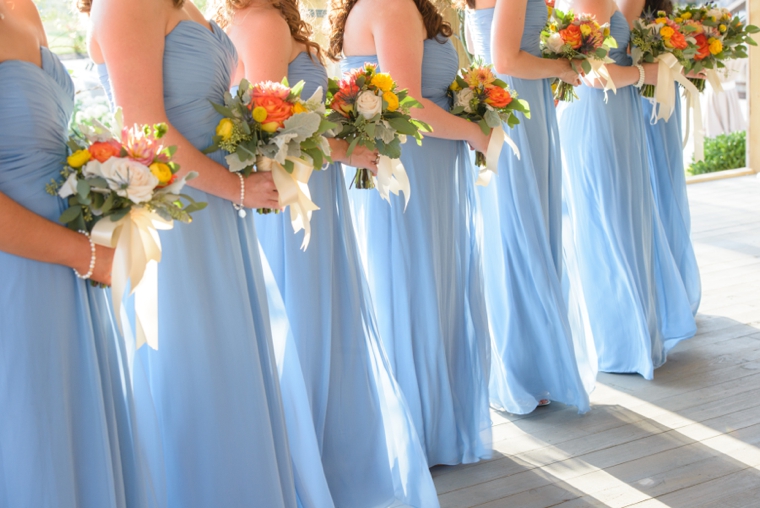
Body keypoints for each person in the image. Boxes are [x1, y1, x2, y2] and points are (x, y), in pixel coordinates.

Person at [213, 1, 439, 506]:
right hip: (294, 203)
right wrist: (344, 152)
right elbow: (271, 129)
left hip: (316, 197)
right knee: (307, 323)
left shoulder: (272, 20)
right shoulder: (265, 23)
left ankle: (330, 460)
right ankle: (311, 466)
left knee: (326, 320)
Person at [83, 0, 302, 505]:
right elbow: (142, 125)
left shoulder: (183, 5)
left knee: (230, 356)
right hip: (177, 211)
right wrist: (236, 187)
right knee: (196, 360)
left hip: (218, 205)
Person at [0, 1, 156, 506]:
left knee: (71, 420)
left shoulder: (20, 7)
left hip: (71, 255)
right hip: (21, 268)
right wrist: (83, 254)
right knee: (32, 430)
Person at [328, 0, 493, 466]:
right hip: (409, 171)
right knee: (413, 287)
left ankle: (428, 423)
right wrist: (474, 133)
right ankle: (415, 430)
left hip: (423, 165)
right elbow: (412, 106)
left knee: (425, 286)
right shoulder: (392, 6)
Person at [462, 0, 595, 415]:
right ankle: (529, 369)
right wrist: (561, 68)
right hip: (518, 108)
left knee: (514, 229)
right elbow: (507, 58)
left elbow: (485, 51)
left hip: (509, 104)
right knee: (525, 229)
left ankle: (528, 365)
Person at [559, 0, 696, 379]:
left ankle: (629, 337)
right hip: (597, 115)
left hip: (617, 115)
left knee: (627, 220)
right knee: (608, 224)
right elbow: (593, 73)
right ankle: (616, 344)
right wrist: (645, 72)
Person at [619, 0, 701, 315]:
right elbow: (619, 45)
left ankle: (670, 286)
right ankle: (664, 288)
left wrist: (687, 60)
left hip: (654, 90)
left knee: (662, 184)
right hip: (641, 90)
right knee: (654, 185)